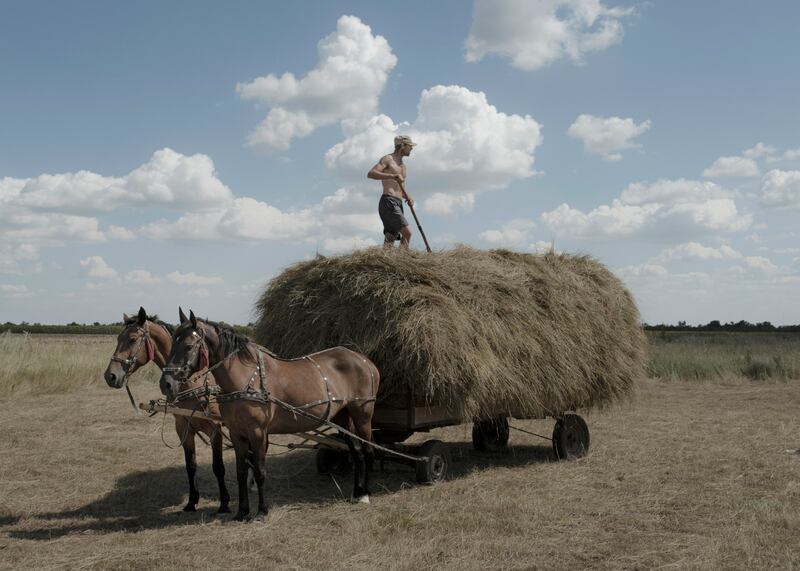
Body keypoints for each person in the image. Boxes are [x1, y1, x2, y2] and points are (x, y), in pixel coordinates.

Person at [367, 135, 416, 248]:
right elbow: (371, 174)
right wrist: (393, 176)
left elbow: (400, 188)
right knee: (407, 233)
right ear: (403, 145)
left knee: (390, 238)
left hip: (398, 203)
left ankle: (383, 264)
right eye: (410, 146)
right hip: (388, 201)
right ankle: (403, 262)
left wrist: (408, 197)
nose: (412, 149)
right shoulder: (388, 159)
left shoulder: (403, 167)